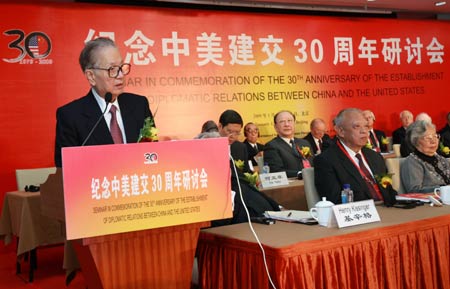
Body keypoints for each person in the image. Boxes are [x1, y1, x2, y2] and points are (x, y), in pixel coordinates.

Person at [54, 37, 153, 167]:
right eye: (112, 69)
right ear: (91, 76)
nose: (120, 75)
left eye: (121, 67)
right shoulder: (70, 116)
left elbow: (152, 150)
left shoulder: (140, 105)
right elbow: (65, 168)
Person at [314, 108, 397, 205]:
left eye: (366, 126)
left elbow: (389, 191)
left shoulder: (375, 157)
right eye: (356, 126)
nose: (364, 131)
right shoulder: (326, 161)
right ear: (341, 131)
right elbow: (335, 200)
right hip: (360, 215)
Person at [213, 110, 280, 226]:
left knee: (265, 205)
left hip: (241, 190)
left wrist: (254, 178)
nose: (232, 136)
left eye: (237, 132)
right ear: (220, 127)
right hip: (220, 194)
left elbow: (246, 172)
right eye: (229, 131)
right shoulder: (208, 147)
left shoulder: (240, 147)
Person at [400, 120, 450, 193]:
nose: (433, 141)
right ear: (415, 141)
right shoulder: (412, 162)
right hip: (431, 202)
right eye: (428, 138)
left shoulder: (441, 159)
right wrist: (442, 189)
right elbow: (414, 190)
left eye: (435, 136)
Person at [263, 110, 313, 179]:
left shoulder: (304, 143)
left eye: (289, 121)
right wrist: (299, 174)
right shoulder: (271, 146)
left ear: (294, 123)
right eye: (282, 122)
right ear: (275, 127)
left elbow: (314, 164)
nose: (287, 124)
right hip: (291, 186)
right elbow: (276, 171)